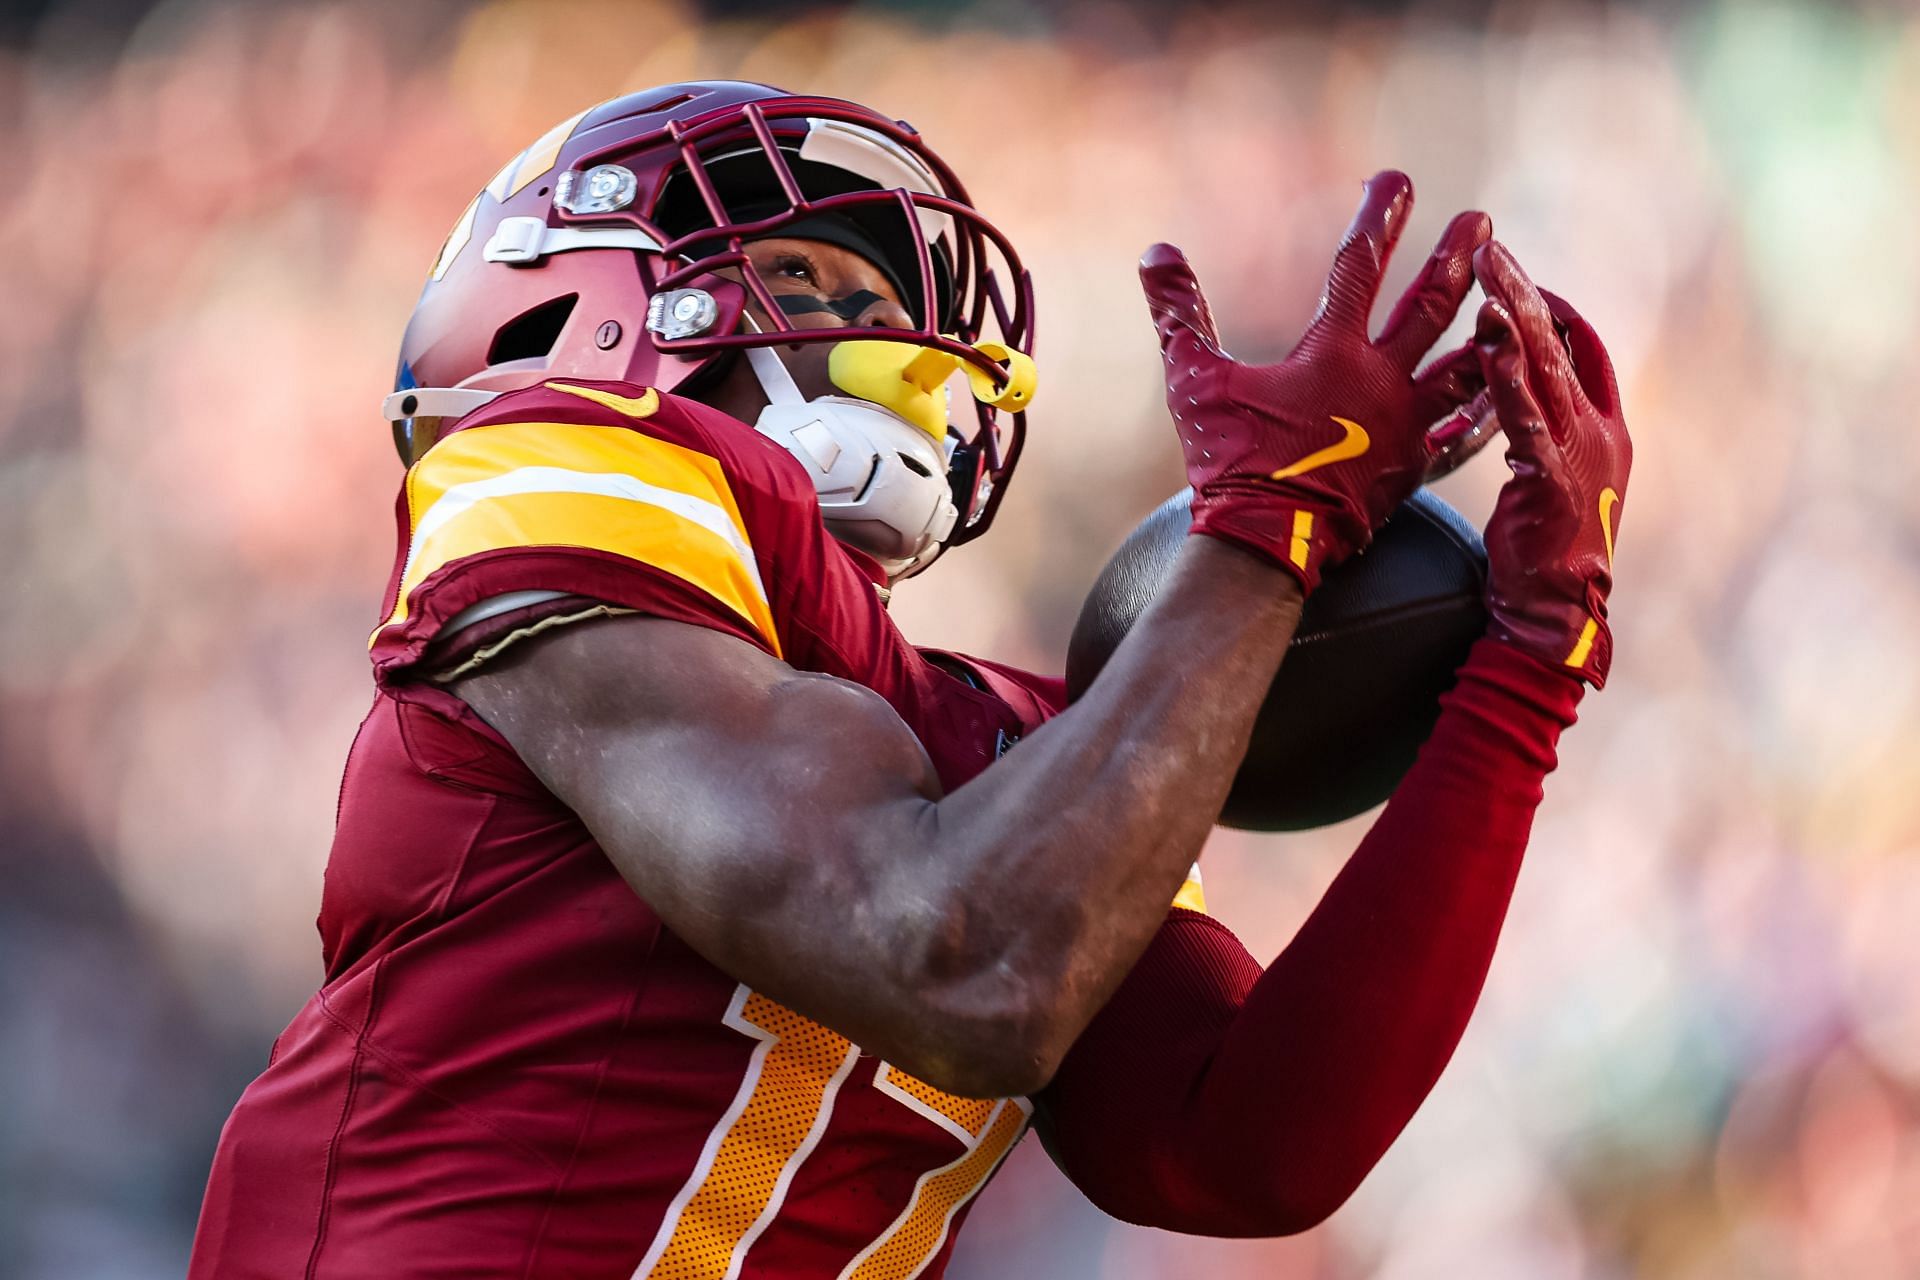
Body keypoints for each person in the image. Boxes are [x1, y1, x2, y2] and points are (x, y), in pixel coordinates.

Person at [188, 81, 1630, 1278]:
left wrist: (1529, 667)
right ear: (571, 299)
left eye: (884, 299)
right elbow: (946, 953)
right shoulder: (552, 475)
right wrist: (1265, 533)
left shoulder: (1018, 747)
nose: (874, 335)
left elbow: (1243, 1145)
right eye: (802, 276)